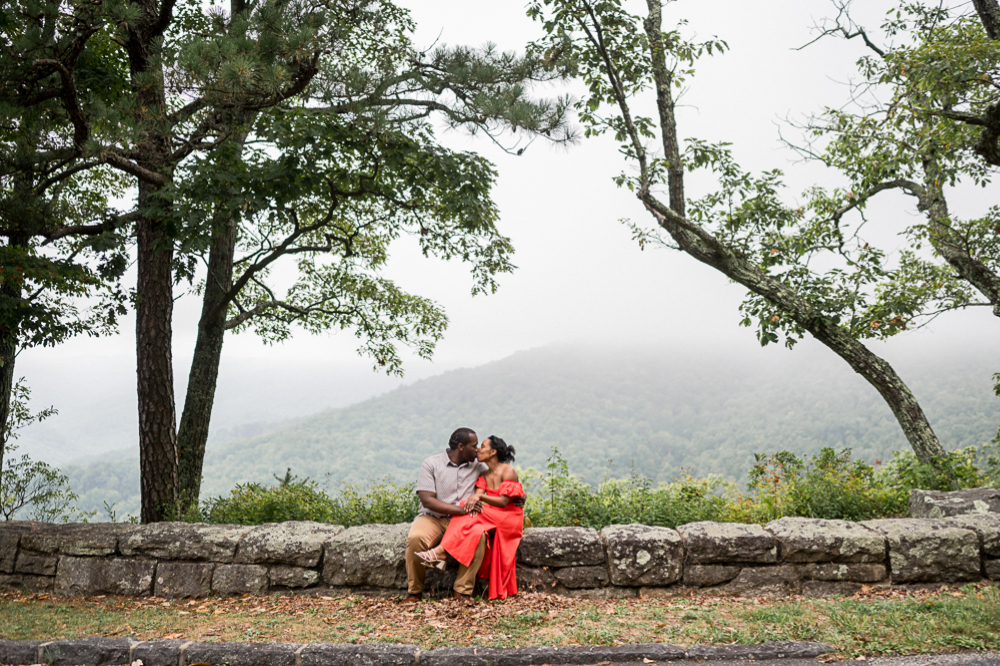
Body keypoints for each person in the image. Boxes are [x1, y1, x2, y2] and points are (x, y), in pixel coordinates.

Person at [415, 436, 525, 601]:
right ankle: (443, 556)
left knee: (468, 508)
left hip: (508, 518)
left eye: (482, 446)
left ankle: (441, 551)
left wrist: (478, 499)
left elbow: (503, 502)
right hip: (491, 516)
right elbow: (477, 495)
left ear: (493, 452)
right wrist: (474, 499)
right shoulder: (484, 473)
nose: (478, 450)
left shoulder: (508, 470)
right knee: (467, 508)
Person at [401, 427, 488, 603]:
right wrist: (463, 509)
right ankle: (415, 593)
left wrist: (517, 496)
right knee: (415, 539)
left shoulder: (479, 466)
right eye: (474, 445)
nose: (477, 449)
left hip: (463, 521)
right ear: (461, 447)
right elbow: (427, 500)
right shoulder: (431, 464)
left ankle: (462, 592)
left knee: (480, 537)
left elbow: (500, 477)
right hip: (432, 517)